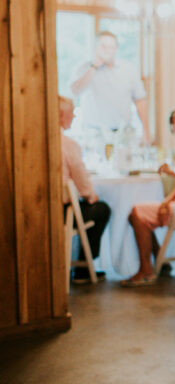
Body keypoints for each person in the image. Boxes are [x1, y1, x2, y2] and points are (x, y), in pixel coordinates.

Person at [122, 108, 175, 287]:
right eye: (173, 123)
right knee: (134, 214)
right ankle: (158, 261)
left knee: (136, 213)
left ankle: (147, 270)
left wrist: (171, 174)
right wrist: (166, 201)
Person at [59, 96, 111, 283]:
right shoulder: (68, 145)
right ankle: (84, 266)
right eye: (71, 113)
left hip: (44, 209)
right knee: (102, 209)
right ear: (61, 115)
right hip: (62, 212)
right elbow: (82, 181)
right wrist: (91, 195)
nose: (73, 117)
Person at [69, 31, 151, 143]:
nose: (107, 50)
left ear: (116, 48)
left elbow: (140, 100)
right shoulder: (85, 68)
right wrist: (94, 67)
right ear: (96, 47)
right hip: (96, 134)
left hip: (124, 133)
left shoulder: (128, 69)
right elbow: (75, 90)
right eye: (103, 46)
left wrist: (146, 130)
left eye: (110, 46)